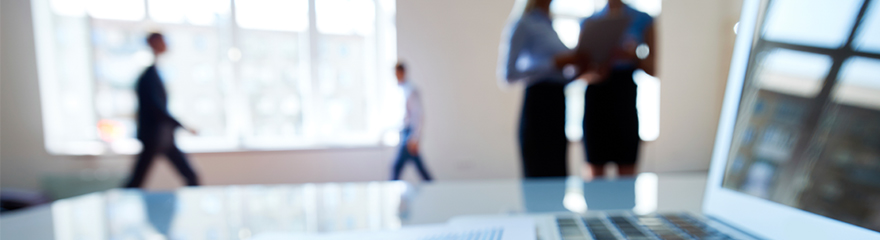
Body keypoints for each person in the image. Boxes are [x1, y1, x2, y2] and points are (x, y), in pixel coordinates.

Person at [498, 0, 576, 177]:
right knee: (538, 174)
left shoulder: (549, 25)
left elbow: (561, 76)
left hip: (558, 106)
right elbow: (507, 75)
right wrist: (552, 64)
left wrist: (580, 68)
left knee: (558, 175)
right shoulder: (524, 23)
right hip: (538, 107)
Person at [579, 0, 656, 177]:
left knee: (627, 166)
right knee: (595, 169)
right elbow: (579, 72)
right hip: (596, 96)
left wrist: (633, 56)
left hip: (624, 96)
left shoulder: (643, 19)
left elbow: (653, 68)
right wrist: (596, 68)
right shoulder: (590, 21)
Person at [123, 32, 200, 188]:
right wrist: (183, 126)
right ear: (154, 43)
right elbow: (157, 109)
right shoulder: (148, 76)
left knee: (191, 176)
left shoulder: (155, 73)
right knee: (136, 182)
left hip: (163, 137)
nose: (166, 44)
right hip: (154, 137)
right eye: (162, 41)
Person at [391, 62, 433, 181]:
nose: (395, 76)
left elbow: (418, 115)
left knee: (396, 167)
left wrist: (415, 137)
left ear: (402, 72)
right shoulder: (401, 90)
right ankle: (434, 187)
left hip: (409, 133)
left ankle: (390, 190)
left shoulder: (411, 90)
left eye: (397, 73)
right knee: (419, 167)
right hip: (404, 131)